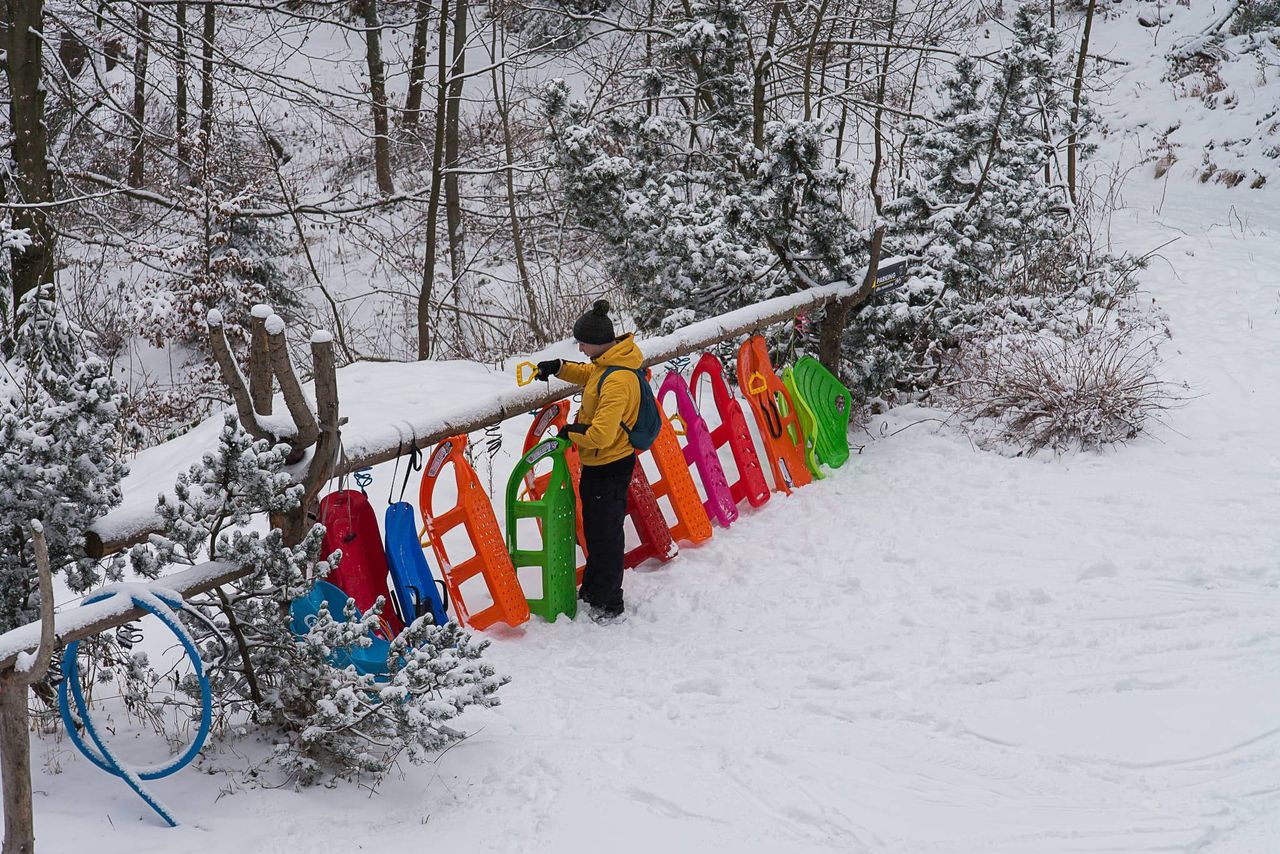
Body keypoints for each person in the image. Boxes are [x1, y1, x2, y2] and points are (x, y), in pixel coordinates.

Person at [535, 300, 642, 623]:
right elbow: (590, 375)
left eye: (582, 342)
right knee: (599, 531)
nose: (579, 348)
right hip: (606, 464)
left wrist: (571, 432)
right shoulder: (610, 363)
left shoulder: (618, 380)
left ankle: (609, 601)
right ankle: (596, 591)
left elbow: (600, 436)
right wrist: (558, 367)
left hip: (608, 463)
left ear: (596, 342)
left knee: (605, 535)